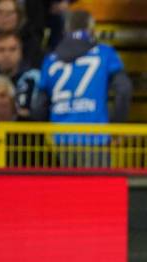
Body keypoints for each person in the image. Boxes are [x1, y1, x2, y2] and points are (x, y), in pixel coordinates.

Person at [32, 10, 132, 167]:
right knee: (97, 189)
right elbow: (124, 90)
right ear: (92, 30)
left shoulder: (50, 60)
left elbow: (39, 107)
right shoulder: (105, 53)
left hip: (60, 141)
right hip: (95, 137)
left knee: (69, 189)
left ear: (66, 30)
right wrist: (116, 124)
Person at [0, 32, 39, 119]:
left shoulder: (34, 78)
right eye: (1, 50)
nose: (7, 55)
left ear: (20, 52)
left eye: (12, 49)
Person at [0, 0, 42, 67]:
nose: (4, 17)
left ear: (19, 16)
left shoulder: (30, 40)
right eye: (0, 12)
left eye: (9, 13)